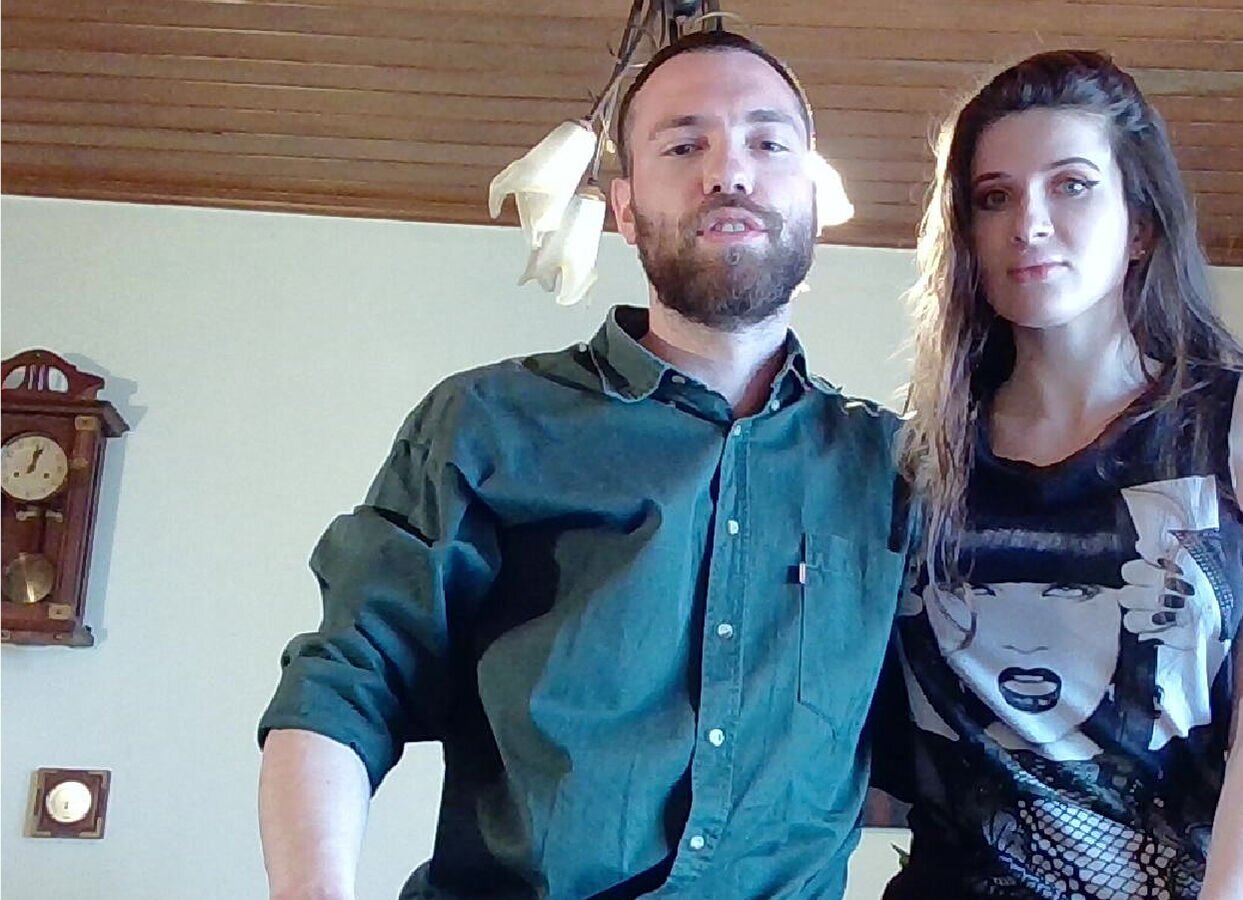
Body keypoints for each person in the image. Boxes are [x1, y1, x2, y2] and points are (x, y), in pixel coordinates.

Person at [257, 30, 907, 900]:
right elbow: (347, 681)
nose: (729, 172)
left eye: (767, 142)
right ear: (624, 210)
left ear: (814, 200)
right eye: (684, 146)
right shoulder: (487, 422)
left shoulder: (895, 467)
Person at [878, 49, 1243, 899]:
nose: (1029, 223)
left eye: (1072, 185)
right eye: (994, 197)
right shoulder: (913, 461)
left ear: (1142, 226)